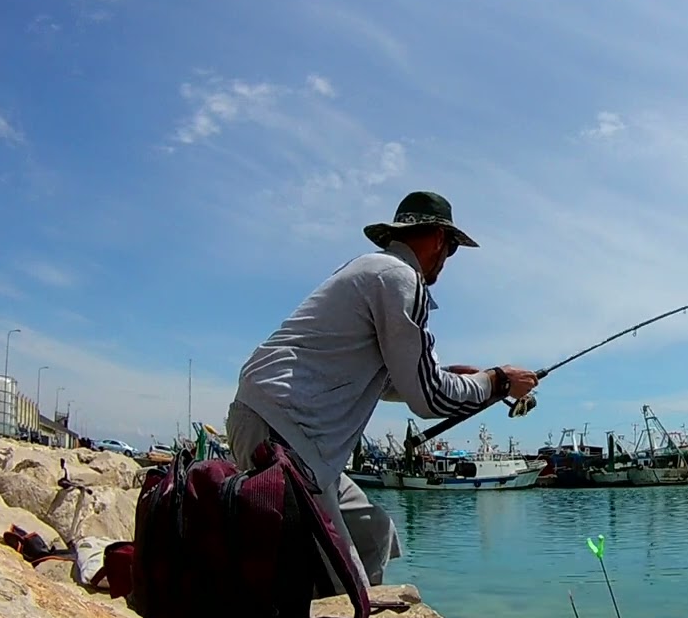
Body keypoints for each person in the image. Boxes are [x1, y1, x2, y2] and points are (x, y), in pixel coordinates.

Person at [225, 190, 539, 590]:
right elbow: (428, 399)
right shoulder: (400, 278)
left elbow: (393, 383)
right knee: (342, 581)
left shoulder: (373, 270)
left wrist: (467, 378)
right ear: (441, 239)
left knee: (372, 532)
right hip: (285, 436)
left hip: (278, 427)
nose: (448, 261)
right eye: (453, 249)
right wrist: (496, 381)